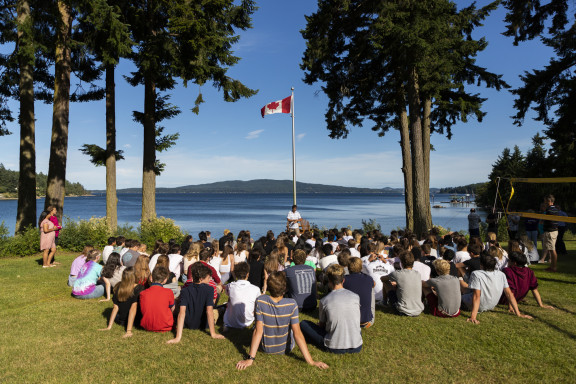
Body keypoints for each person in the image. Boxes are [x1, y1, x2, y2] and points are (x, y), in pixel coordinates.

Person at [236, 271, 328, 370]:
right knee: (294, 328)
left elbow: (258, 331)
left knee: (257, 326)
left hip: (266, 348)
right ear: (285, 288)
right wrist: (311, 361)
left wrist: (250, 358)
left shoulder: (260, 301)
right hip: (286, 348)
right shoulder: (292, 304)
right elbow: (297, 333)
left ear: (269, 286)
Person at [300, 264, 363, 354]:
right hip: (356, 345)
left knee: (304, 324)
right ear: (343, 280)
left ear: (329, 281)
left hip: (334, 346)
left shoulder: (324, 300)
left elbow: (322, 326)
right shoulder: (355, 296)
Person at [461, 252, 533, 324]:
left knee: (458, 287)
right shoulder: (501, 274)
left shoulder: (476, 274)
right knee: (464, 288)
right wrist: (518, 313)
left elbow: (476, 296)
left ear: (481, 265)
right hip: (491, 305)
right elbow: (509, 294)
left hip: (474, 305)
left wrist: (473, 317)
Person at [167, 263, 224, 343]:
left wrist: (178, 337)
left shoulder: (185, 290)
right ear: (201, 279)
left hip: (188, 324)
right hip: (204, 324)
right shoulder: (209, 290)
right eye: (208, 278)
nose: (210, 280)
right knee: (217, 311)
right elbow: (209, 311)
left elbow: (182, 313)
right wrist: (213, 333)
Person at [98, 267, 144, 338]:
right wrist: (129, 331)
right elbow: (133, 309)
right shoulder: (139, 288)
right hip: (136, 321)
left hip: (121, 321)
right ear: (135, 276)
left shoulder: (118, 287)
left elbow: (115, 308)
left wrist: (109, 326)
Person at [381, 251, 424, 317]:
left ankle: (384, 302)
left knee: (386, 283)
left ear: (401, 263)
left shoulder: (397, 273)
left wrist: (393, 282)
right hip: (418, 310)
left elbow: (382, 279)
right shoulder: (418, 274)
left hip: (403, 311)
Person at [222, 262, 261, 330]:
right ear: (248, 274)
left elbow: (228, 294)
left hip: (231, 321)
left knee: (228, 302)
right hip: (248, 321)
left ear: (236, 274)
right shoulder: (256, 289)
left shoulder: (230, 286)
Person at [139, 266, 175, 332]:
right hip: (166, 326)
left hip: (147, 326)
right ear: (165, 280)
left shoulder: (143, 293)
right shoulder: (169, 292)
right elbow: (173, 308)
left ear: (151, 278)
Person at [343, 257, 375, 327]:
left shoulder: (344, 280)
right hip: (364, 320)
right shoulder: (368, 279)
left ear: (348, 267)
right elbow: (373, 284)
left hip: (348, 319)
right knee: (371, 287)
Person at [540, 194, 559, 272]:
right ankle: (552, 266)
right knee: (551, 249)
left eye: (545, 201)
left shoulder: (549, 210)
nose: (544, 202)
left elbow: (550, 219)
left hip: (551, 232)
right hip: (552, 231)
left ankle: (553, 267)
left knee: (552, 249)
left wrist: (543, 219)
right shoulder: (555, 209)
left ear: (549, 201)